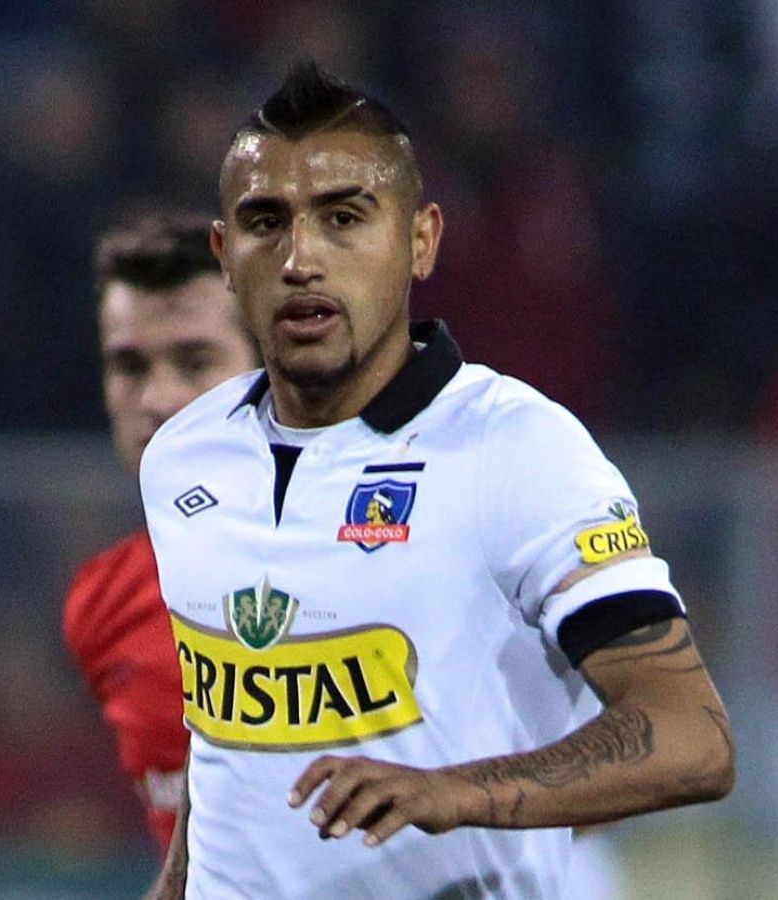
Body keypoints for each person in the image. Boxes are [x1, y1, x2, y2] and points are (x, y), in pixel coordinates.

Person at [139, 62, 735, 899]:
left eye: (344, 217)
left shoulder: (516, 450)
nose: (301, 257)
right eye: (265, 222)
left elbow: (692, 737)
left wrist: (454, 791)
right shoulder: (183, 457)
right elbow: (226, 741)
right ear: (223, 255)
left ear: (421, 241)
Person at [62, 215, 259, 850]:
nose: (158, 399)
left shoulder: (393, 551)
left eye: (195, 360)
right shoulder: (102, 606)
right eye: (129, 365)